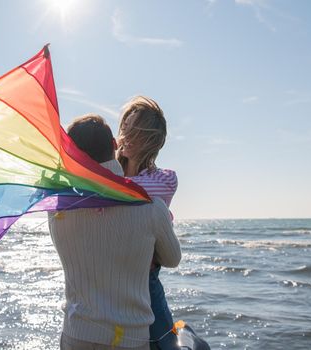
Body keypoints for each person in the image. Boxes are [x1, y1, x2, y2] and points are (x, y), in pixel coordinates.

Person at [49, 114, 182, 350]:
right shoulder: (151, 207)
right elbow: (172, 259)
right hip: (128, 339)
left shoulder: (57, 206)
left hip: (76, 334)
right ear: (114, 145)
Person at [117, 96, 179, 350]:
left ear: (152, 141)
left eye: (137, 133)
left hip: (146, 273)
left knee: (164, 341)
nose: (128, 137)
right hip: (113, 271)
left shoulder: (165, 181)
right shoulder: (108, 174)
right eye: (126, 128)